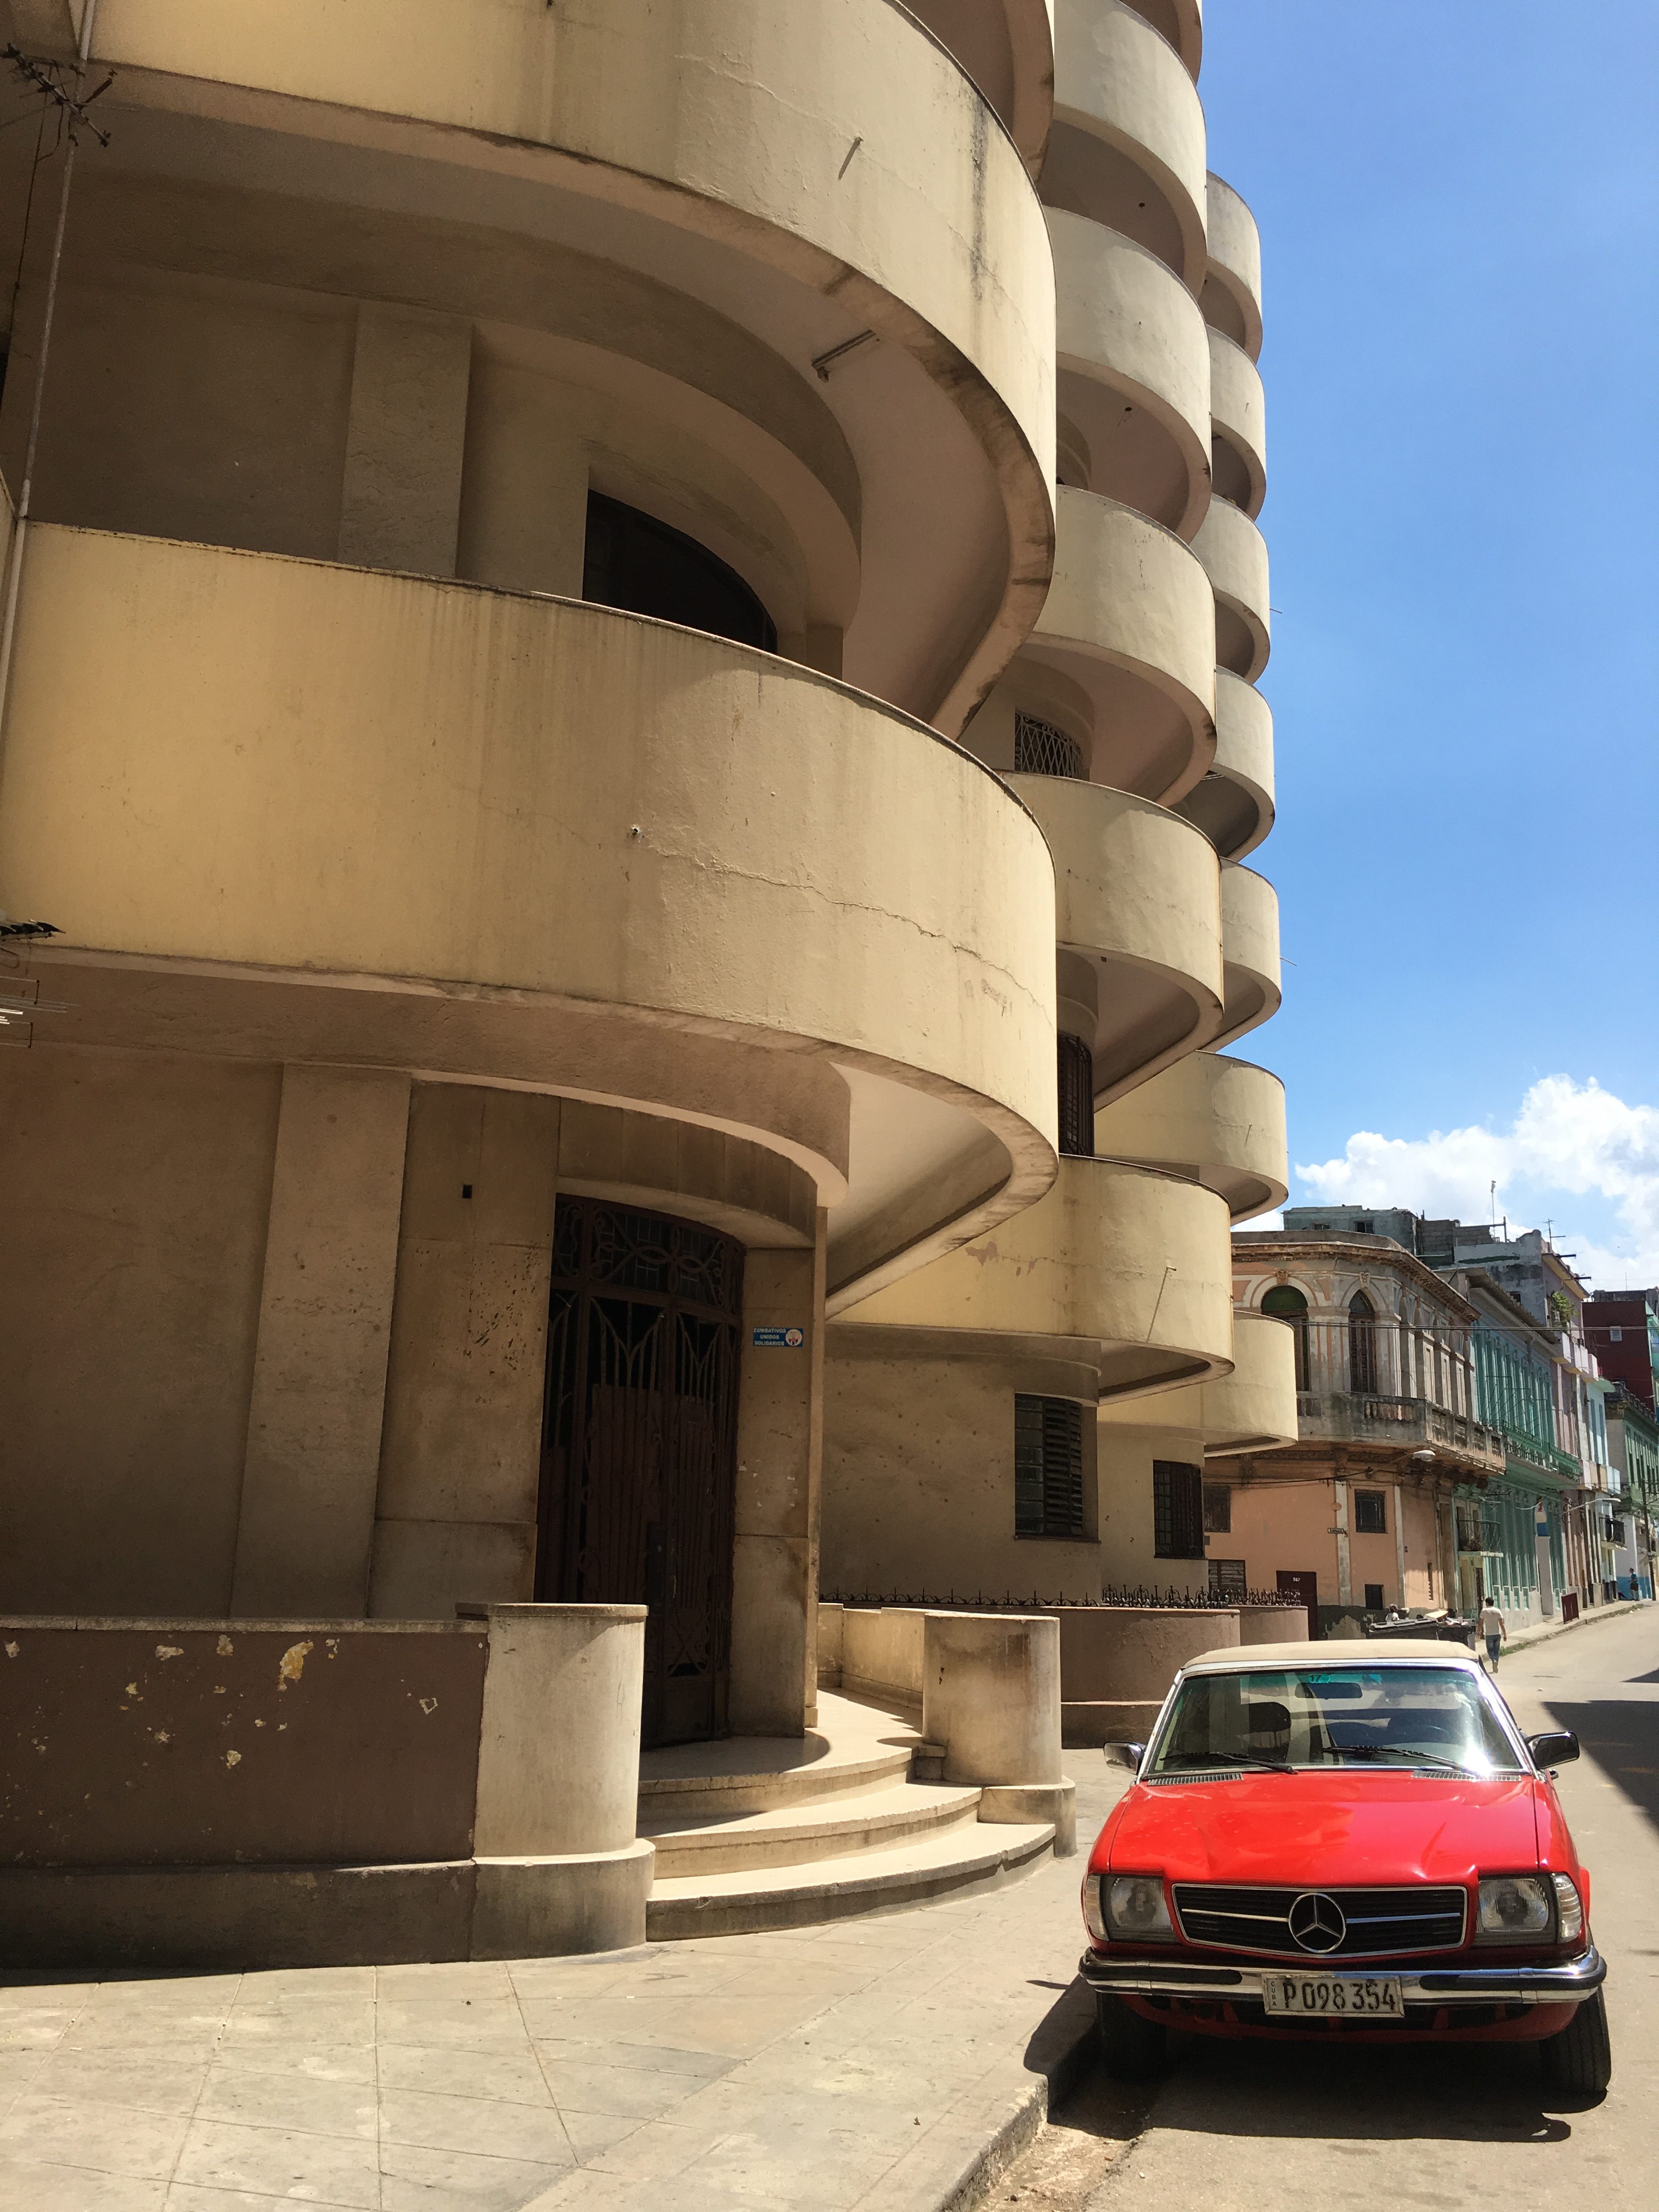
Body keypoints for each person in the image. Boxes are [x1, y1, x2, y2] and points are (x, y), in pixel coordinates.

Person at [1477, 1595, 1505, 1673]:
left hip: (1489, 1634)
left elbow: (1481, 1623)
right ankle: (1495, 1663)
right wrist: (1505, 1634)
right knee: (1497, 1651)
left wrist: (1479, 1632)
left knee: (1490, 1651)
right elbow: (1502, 1623)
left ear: (1487, 1603)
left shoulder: (1484, 1611)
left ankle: (1494, 1660)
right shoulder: (1498, 1611)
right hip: (1497, 1633)